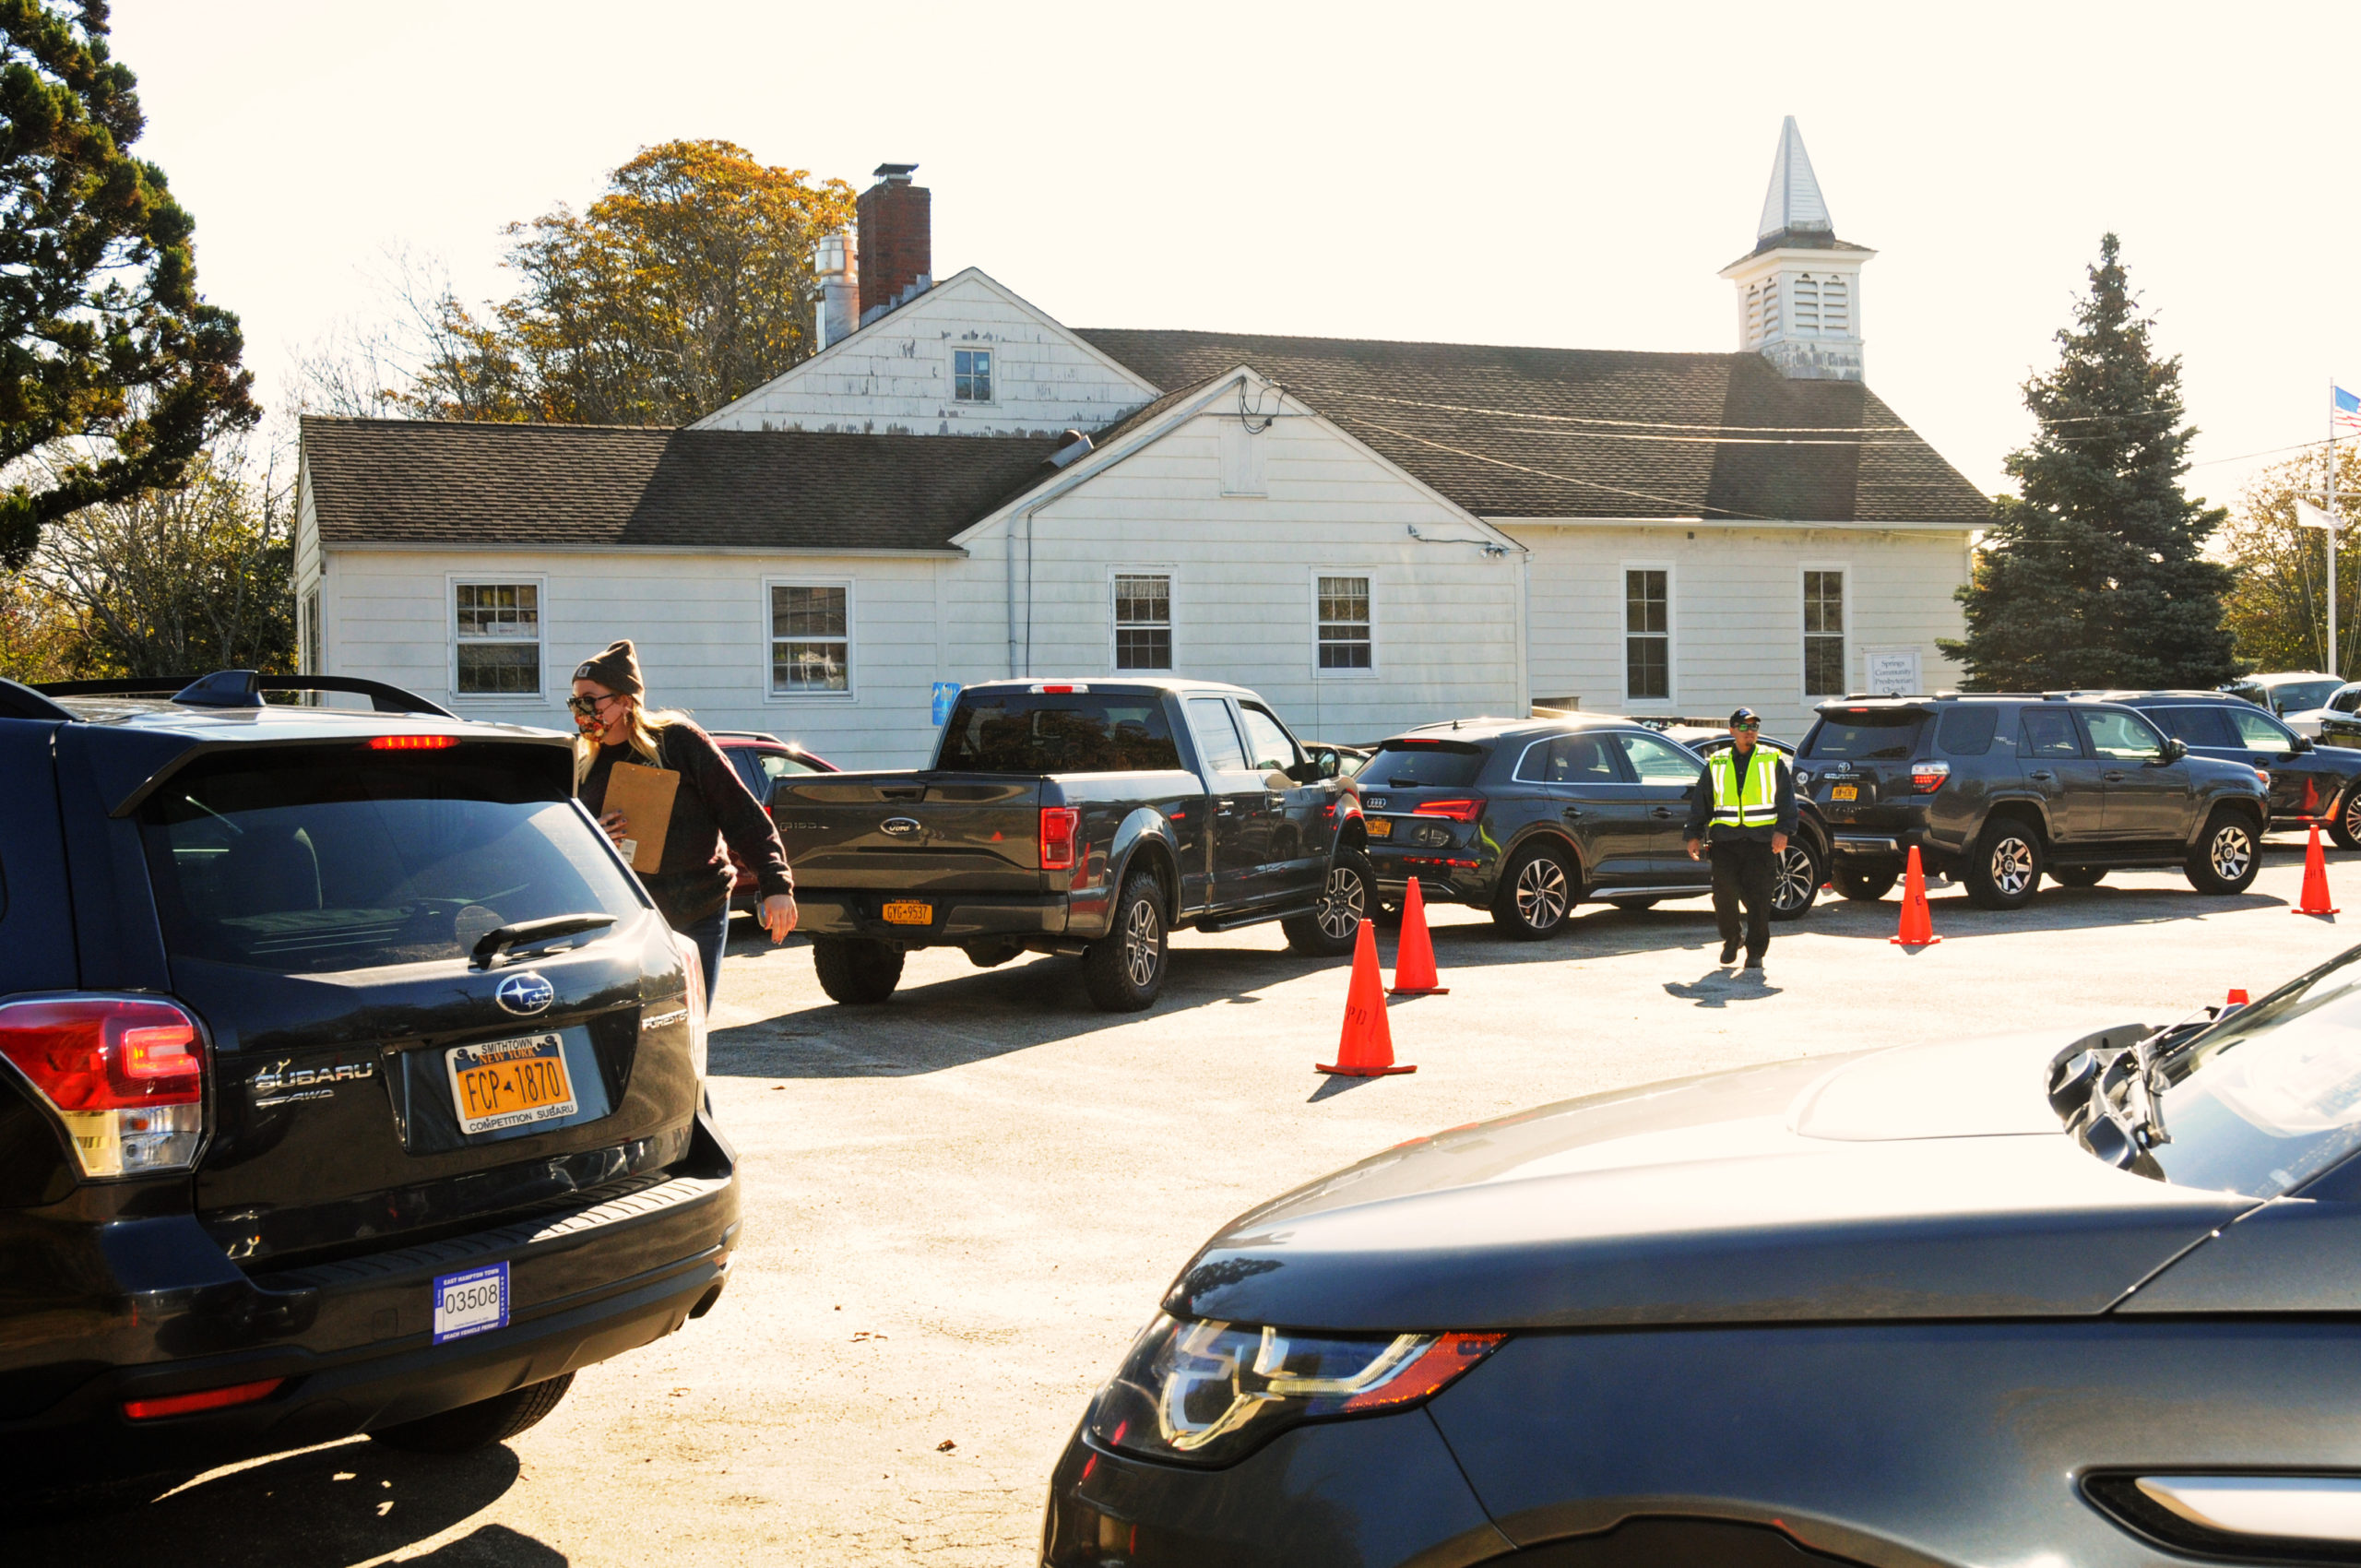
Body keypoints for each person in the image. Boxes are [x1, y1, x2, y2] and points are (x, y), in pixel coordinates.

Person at [568, 639, 797, 1002]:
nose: (581, 712)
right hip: (628, 919)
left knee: (687, 1021)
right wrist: (591, 839)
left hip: (698, 909)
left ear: (625, 700)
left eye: (590, 700)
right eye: (575, 702)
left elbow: (739, 812)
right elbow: (564, 847)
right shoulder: (582, 766)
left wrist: (776, 883)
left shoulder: (677, 742)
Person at [1681, 707, 1797, 973]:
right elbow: (1702, 801)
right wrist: (1693, 834)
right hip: (1726, 842)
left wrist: (1784, 831)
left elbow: (1786, 800)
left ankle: (1755, 952)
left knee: (1758, 900)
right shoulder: (1717, 762)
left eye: (1754, 727)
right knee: (1723, 896)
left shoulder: (1771, 760)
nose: (1750, 732)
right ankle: (1732, 937)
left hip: (1761, 842)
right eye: (1744, 727)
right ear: (1732, 730)